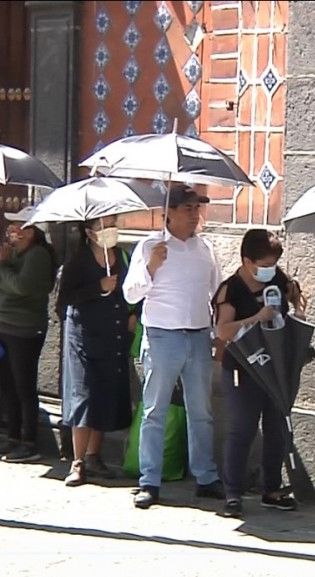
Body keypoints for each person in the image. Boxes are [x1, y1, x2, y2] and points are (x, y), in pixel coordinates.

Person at [123, 185, 224, 509]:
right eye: (188, 208)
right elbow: (130, 294)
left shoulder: (205, 249)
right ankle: (149, 480)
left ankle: (205, 476)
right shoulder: (150, 246)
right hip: (162, 335)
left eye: (197, 208)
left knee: (202, 411)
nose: (194, 214)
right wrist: (152, 266)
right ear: (170, 213)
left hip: (197, 334)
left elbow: (216, 292)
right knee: (155, 410)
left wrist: (218, 331)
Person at [213, 229, 306, 518]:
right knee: (242, 428)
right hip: (242, 366)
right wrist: (256, 318)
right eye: (264, 265)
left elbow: (294, 298)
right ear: (247, 260)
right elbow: (223, 330)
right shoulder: (231, 289)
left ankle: (273, 489)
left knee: (277, 427)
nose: (270, 270)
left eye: (273, 264)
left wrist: (298, 305)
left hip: (276, 364)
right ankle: (232, 493)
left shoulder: (278, 279)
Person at [57, 216, 136, 486]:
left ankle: (94, 455)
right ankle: (77, 461)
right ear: (90, 232)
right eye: (104, 226)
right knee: (84, 394)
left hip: (113, 335)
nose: (110, 230)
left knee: (105, 392)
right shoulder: (78, 260)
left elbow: (134, 291)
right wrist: (97, 288)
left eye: (113, 223)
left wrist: (132, 313)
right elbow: (65, 297)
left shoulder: (122, 257)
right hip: (84, 336)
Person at [0, 208, 58, 463]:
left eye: (21, 227)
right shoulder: (9, 253)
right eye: (12, 226)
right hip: (0, 325)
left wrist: (2, 266)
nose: (14, 231)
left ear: (34, 232)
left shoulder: (37, 256)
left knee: (24, 386)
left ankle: (29, 441)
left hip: (24, 328)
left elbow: (21, 287)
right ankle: (12, 437)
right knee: (8, 386)